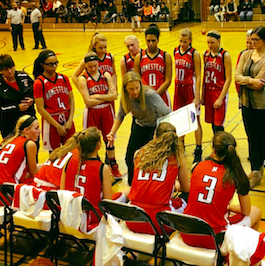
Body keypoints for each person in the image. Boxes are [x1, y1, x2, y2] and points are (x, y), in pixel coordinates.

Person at [182, 131, 261, 249]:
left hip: (187, 233)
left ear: (213, 150)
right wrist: (230, 207)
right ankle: (243, 254)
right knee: (256, 211)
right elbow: (246, 211)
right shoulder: (235, 174)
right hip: (213, 239)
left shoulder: (197, 166)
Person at [107, 71, 171, 186]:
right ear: (126, 88)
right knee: (129, 158)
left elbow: (166, 113)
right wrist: (112, 132)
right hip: (140, 127)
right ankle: (132, 185)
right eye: (131, 89)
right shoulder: (126, 98)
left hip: (154, 129)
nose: (135, 91)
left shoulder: (150, 95)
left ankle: (149, 185)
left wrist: (159, 133)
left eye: (137, 88)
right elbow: (120, 115)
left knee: (151, 160)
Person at [127, 122, 190, 235]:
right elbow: (186, 188)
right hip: (159, 222)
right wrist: (174, 185)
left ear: (155, 137)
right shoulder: (177, 158)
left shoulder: (139, 153)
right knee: (190, 194)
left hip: (133, 217)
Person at [78, 52, 122, 179]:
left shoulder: (106, 74)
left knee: (109, 138)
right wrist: (106, 97)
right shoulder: (83, 78)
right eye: (90, 66)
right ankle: (94, 167)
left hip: (107, 111)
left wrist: (97, 96)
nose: (93, 69)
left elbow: (114, 96)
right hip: (92, 112)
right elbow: (88, 101)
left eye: (95, 66)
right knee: (91, 140)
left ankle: (113, 166)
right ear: (85, 65)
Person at [60, 126, 112, 230]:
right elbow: (108, 203)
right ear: (98, 145)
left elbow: (62, 192)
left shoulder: (69, 160)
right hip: (91, 221)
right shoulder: (102, 168)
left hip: (68, 216)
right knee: (124, 194)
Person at [235, 26, 265, 188]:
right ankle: (255, 171)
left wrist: (247, 81)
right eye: (251, 39)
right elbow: (236, 76)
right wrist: (251, 81)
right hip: (246, 103)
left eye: (256, 40)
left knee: (262, 137)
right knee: (251, 137)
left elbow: (260, 84)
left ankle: (258, 166)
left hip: (262, 105)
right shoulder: (245, 55)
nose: (252, 42)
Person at [33, 50, 75, 152]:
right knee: (54, 155)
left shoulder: (64, 78)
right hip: (51, 121)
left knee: (72, 152)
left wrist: (70, 120)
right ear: (42, 65)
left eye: (56, 63)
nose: (54, 66)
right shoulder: (39, 83)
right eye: (50, 64)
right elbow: (40, 109)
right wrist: (57, 126)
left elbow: (71, 99)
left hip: (66, 118)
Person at [173, 28, 203, 163]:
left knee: (195, 120)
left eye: (185, 41)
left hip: (190, 88)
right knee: (180, 120)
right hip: (178, 89)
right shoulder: (175, 51)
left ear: (190, 40)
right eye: (180, 41)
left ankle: (198, 149)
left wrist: (197, 95)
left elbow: (199, 75)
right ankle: (181, 147)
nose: (182, 44)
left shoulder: (194, 53)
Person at [134, 24, 172, 108]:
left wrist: (155, 95)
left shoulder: (166, 56)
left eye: (153, 40)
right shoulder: (139, 57)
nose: (150, 43)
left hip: (162, 96)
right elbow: (137, 80)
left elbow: (168, 80)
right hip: (145, 97)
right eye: (148, 40)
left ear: (158, 40)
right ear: (145, 40)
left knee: (165, 121)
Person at [202, 30, 232, 134]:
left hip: (219, 92)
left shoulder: (225, 55)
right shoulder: (205, 54)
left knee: (218, 125)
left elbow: (228, 78)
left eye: (212, 42)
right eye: (208, 42)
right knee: (212, 124)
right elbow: (204, 75)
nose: (209, 45)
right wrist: (202, 95)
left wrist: (220, 98)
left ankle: (222, 148)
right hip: (208, 93)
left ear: (218, 41)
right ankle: (216, 147)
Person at [0, 54, 36, 138]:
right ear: (1, 71)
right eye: (6, 69)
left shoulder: (23, 76)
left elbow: (36, 92)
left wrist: (32, 100)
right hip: (10, 124)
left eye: (11, 67)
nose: (10, 71)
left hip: (29, 120)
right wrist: (16, 107)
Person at [0, 115, 41, 185]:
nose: (39, 131)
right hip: (8, 187)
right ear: (26, 130)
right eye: (36, 128)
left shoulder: (10, 139)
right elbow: (34, 173)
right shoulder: (30, 144)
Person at [235, 29, 253, 97]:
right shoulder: (242, 54)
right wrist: (239, 91)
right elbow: (237, 74)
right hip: (244, 92)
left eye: (250, 43)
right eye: (247, 42)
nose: (248, 45)